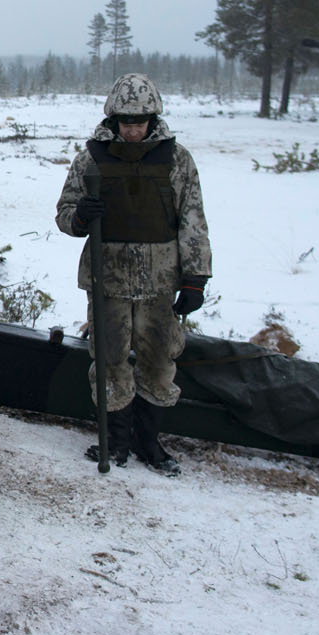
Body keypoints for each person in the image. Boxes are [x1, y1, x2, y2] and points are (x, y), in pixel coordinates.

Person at [55, 73, 211, 475]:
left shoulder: (177, 160)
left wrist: (196, 278)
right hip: (107, 279)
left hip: (161, 282)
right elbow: (64, 213)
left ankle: (149, 441)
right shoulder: (92, 159)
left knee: (159, 360)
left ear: (153, 118)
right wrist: (80, 217)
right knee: (108, 360)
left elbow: (192, 219)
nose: (133, 128)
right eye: (126, 121)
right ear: (114, 119)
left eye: (140, 121)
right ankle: (116, 438)